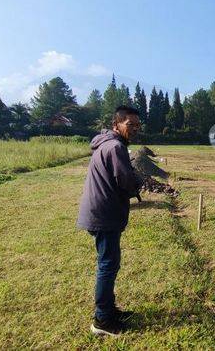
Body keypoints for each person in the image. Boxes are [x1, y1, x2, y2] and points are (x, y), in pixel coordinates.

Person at [76, 106, 143, 336]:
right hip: (104, 214)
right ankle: (103, 320)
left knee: (109, 263)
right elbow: (125, 180)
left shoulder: (107, 143)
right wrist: (139, 181)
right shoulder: (115, 147)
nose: (134, 129)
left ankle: (108, 310)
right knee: (107, 265)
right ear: (117, 124)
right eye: (130, 124)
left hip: (102, 210)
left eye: (137, 125)